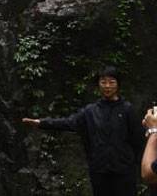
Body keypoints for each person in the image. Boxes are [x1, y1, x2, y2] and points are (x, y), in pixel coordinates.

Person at [22, 67, 143, 196]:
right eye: (103, 82)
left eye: (112, 82)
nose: (107, 86)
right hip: (99, 170)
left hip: (124, 171)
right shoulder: (91, 111)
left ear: (118, 84)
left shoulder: (127, 109)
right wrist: (41, 123)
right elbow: (69, 122)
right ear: (98, 85)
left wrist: (131, 162)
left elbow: (138, 138)